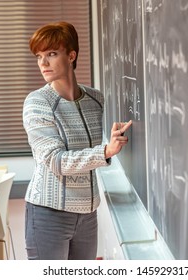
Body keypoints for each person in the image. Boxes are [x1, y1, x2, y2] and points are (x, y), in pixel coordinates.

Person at [22, 21, 132, 260]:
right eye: (39, 56)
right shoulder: (37, 102)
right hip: (48, 214)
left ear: (71, 55)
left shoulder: (96, 100)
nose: (43, 63)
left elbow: (100, 146)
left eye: (51, 54)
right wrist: (105, 151)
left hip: (88, 213)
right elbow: (56, 161)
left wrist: (114, 139)